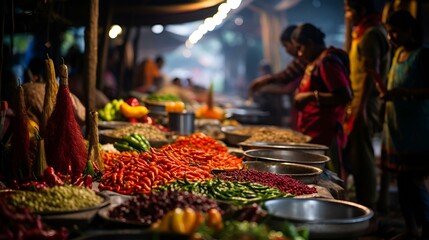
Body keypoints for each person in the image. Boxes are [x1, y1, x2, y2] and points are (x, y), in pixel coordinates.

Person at [380, 10, 429, 239]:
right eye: (390, 33)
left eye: (396, 31)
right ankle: (410, 228)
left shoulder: (422, 56)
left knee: (416, 181)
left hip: (416, 131)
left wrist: (404, 93)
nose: (392, 37)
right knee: (401, 180)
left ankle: (425, 228)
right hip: (395, 129)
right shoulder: (398, 52)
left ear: (410, 30)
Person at [343, 0, 391, 210]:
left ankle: (368, 204)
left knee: (363, 155)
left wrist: (360, 108)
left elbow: (371, 74)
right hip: (358, 101)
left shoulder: (371, 33)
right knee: (357, 153)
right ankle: (363, 200)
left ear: (361, 9)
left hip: (365, 102)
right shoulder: (363, 31)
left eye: (349, 9)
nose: (347, 14)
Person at [291, 23, 353, 181]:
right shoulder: (315, 61)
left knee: (331, 177)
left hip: (326, 133)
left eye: (300, 48)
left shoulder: (327, 62)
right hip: (314, 132)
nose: (298, 54)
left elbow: (344, 95)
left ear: (310, 44)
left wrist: (310, 96)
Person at [249, 25, 307, 128]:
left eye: (286, 45)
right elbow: (284, 76)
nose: (286, 50)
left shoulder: (307, 60)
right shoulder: (301, 61)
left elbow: (285, 82)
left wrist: (263, 84)